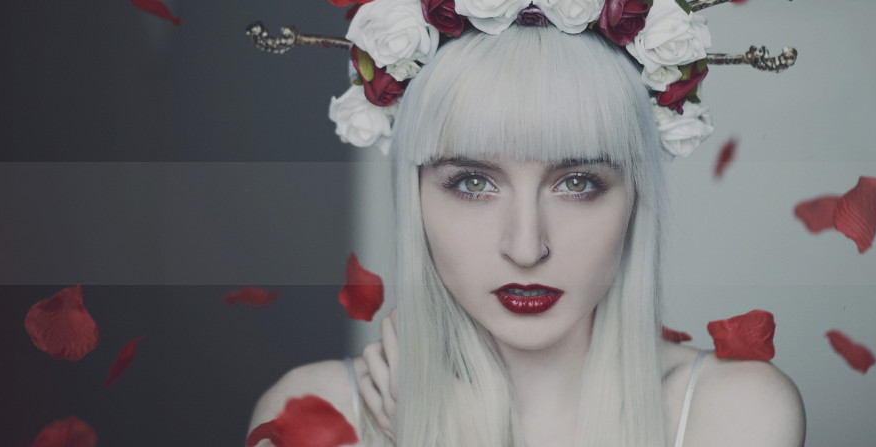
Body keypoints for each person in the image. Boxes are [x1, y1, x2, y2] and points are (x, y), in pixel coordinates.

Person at [248, 6, 804, 447]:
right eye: (472, 183)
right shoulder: (316, 413)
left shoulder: (734, 414)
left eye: (578, 182)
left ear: (635, 195)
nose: (526, 247)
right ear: (413, 192)